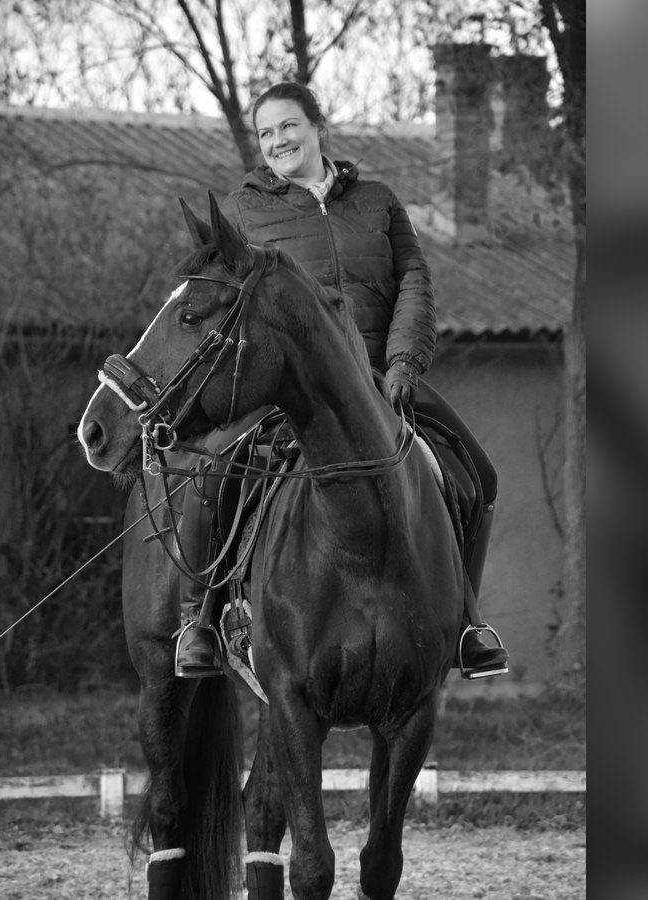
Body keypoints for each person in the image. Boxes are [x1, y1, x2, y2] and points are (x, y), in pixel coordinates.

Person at [175, 82, 509, 679]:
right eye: (266, 132)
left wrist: (403, 363)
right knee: (211, 475)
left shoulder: (379, 201)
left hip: (382, 381)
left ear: (317, 127)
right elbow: (226, 305)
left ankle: (466, 623)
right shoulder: (241, 212)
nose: (278, 140)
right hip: (286, 390)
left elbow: (414, 281)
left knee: (477, 474)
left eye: (289, 126)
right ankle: (199, 619)